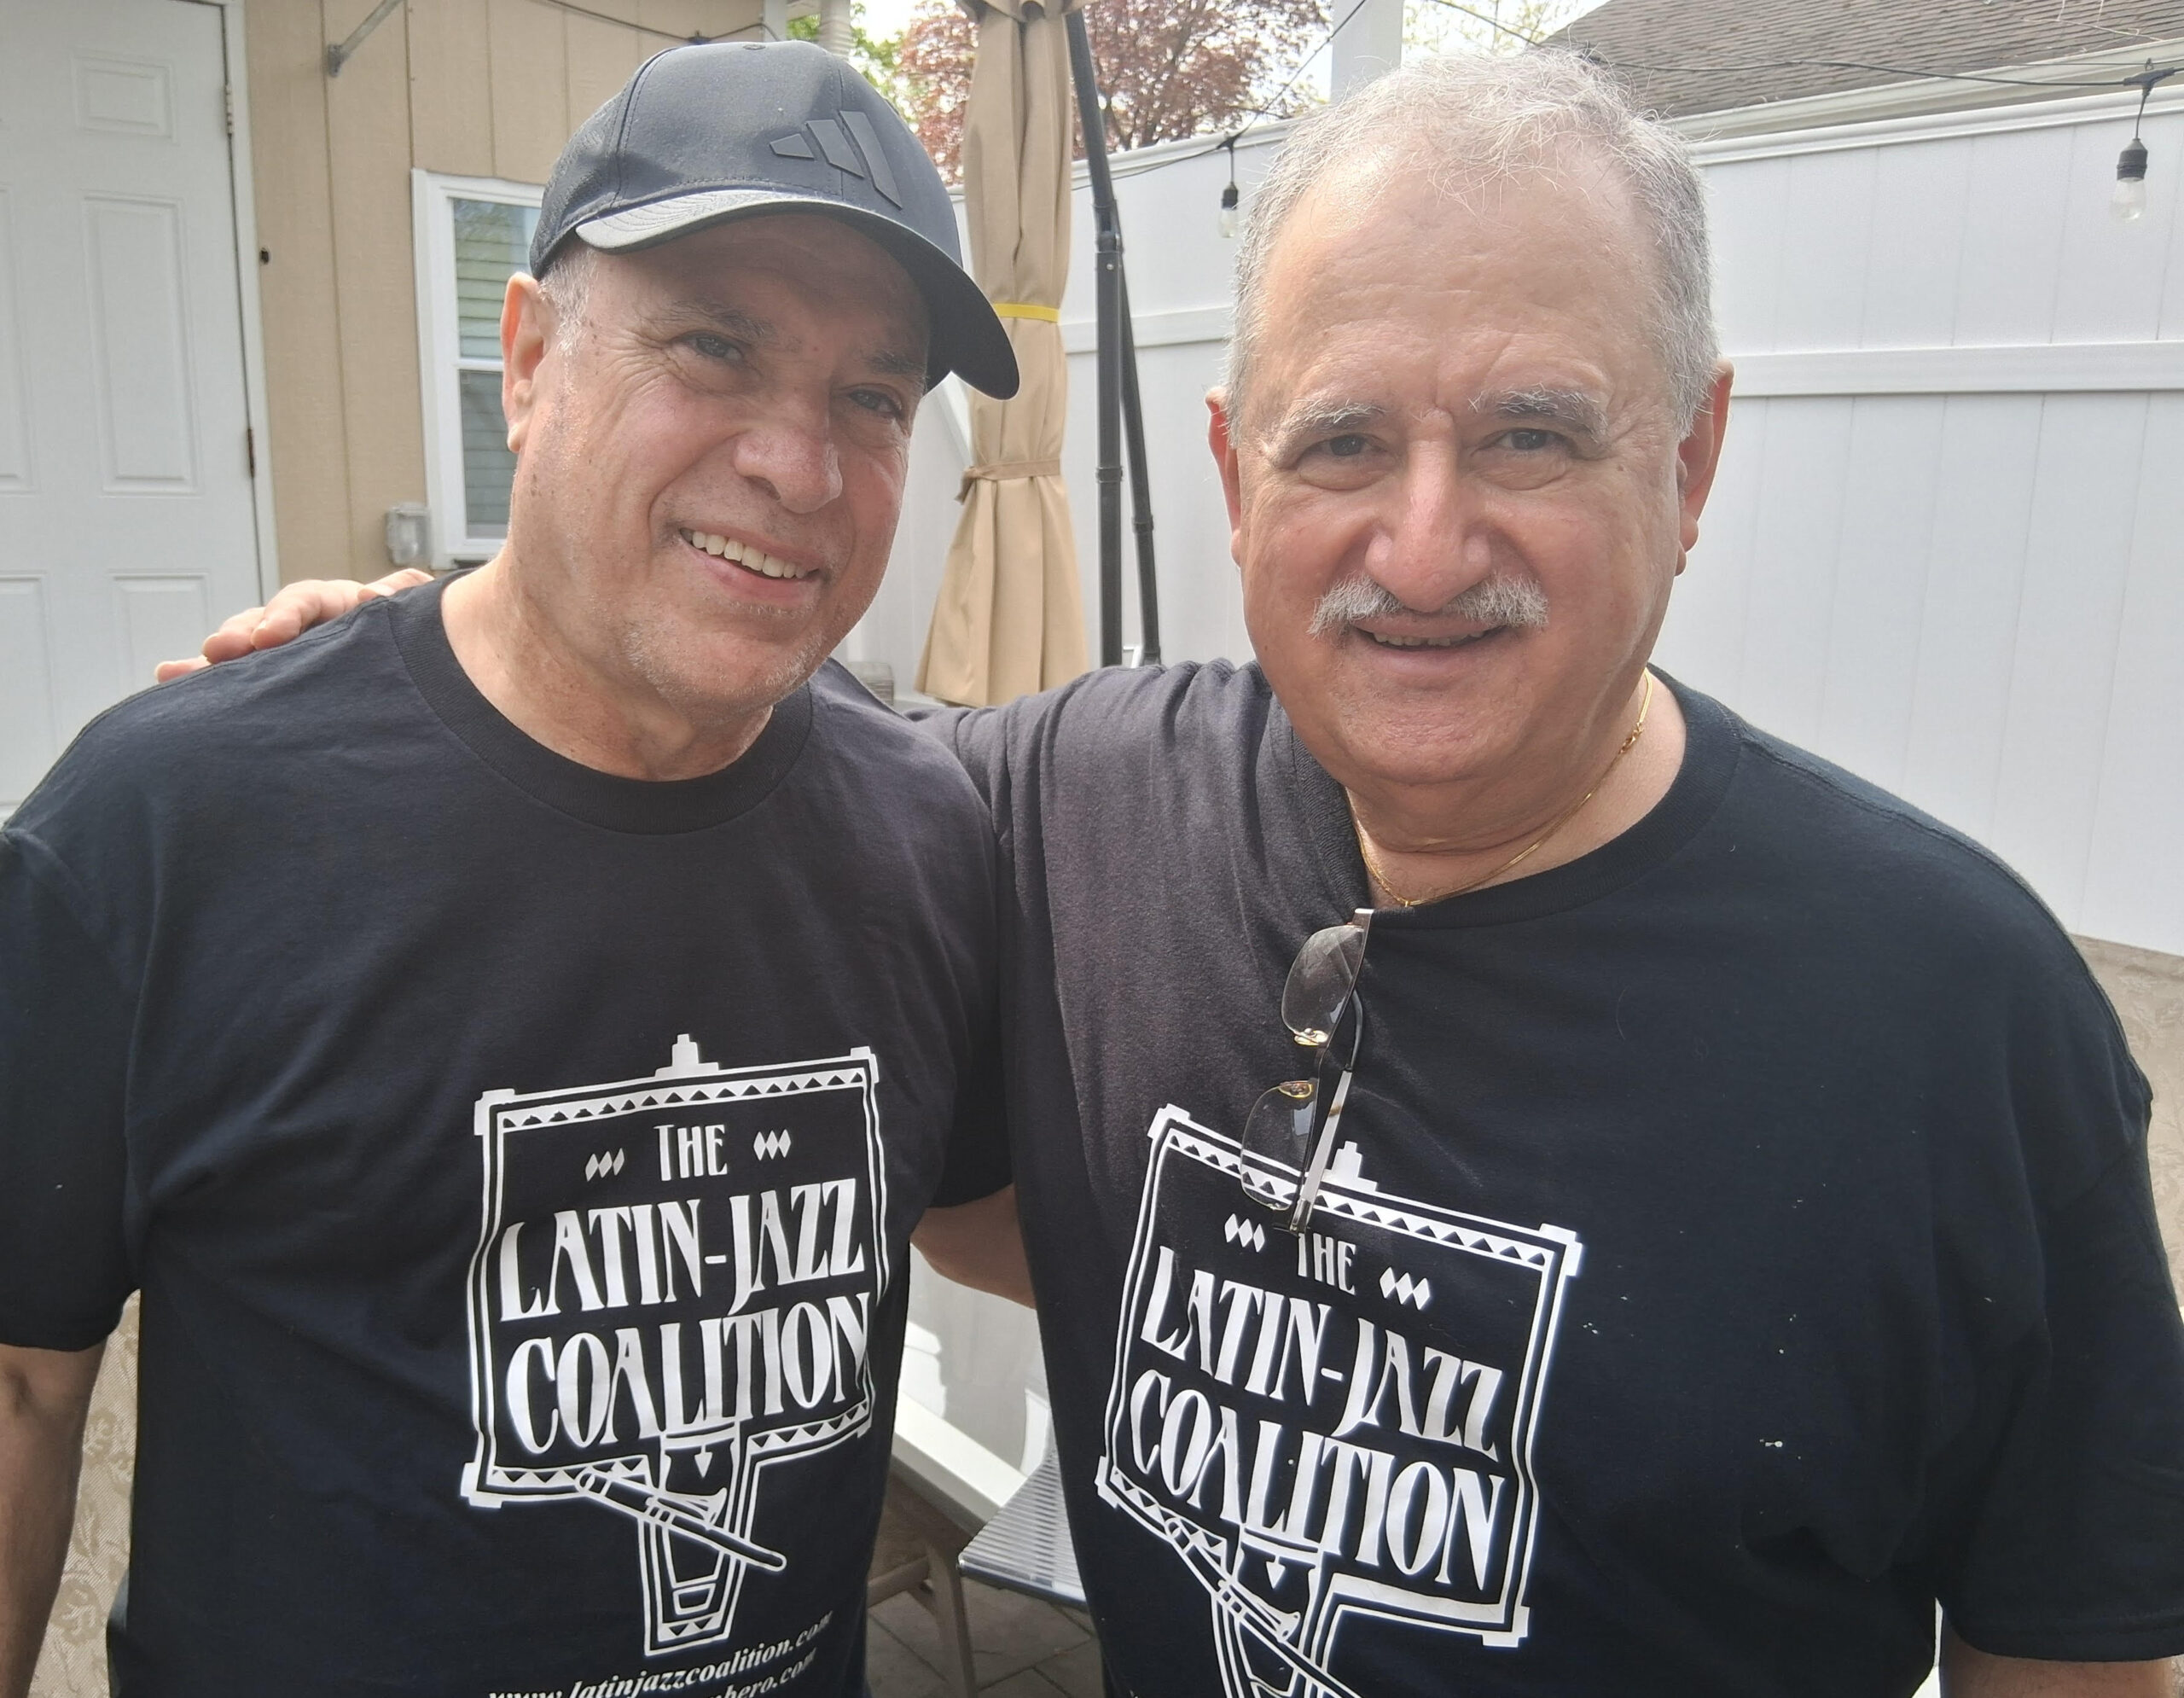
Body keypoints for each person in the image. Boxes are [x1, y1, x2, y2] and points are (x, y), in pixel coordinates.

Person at [160, 50, 2184, 1698]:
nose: (1418, 545)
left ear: (1691, 461)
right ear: (1230, 475)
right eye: (1339, 443)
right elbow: (719, 739)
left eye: (1529, 437)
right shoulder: (1071, 801)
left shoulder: (1954, 1019)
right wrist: (469, 652)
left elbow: (2077, 1643)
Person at [0, 40, 1033, 1698]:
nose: (802, 466)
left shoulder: (926, 833)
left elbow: (993, 1212)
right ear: (531, 359)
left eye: (873, 397)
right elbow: (24, 1383)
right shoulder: (168, 824)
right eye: (716, 346)